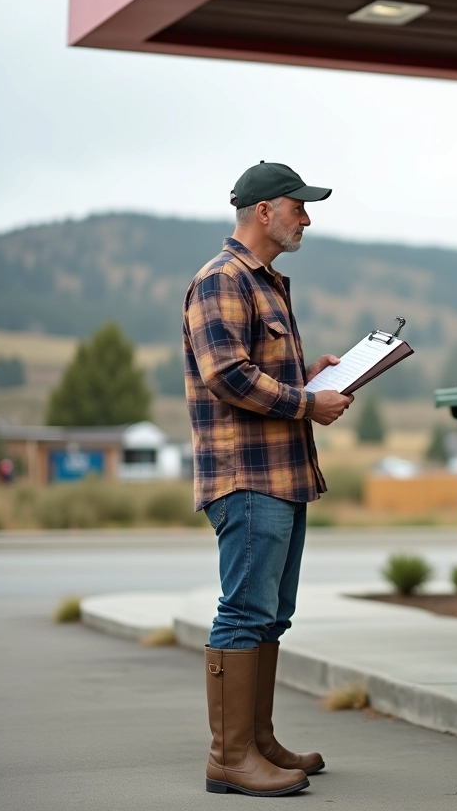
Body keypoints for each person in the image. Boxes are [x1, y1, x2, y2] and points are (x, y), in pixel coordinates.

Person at [182, 161, 354, 797]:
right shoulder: (221, 280)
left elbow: (258, 372)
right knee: (244, 613)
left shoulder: (266, 284)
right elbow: (227, 376)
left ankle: (256, 742)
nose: (306, 217)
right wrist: (309, 404)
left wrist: (313, 376)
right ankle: (229, 759)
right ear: (263, 212)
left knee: (271, 615)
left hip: (282, 476)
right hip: (248, 480)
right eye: (298, 206)